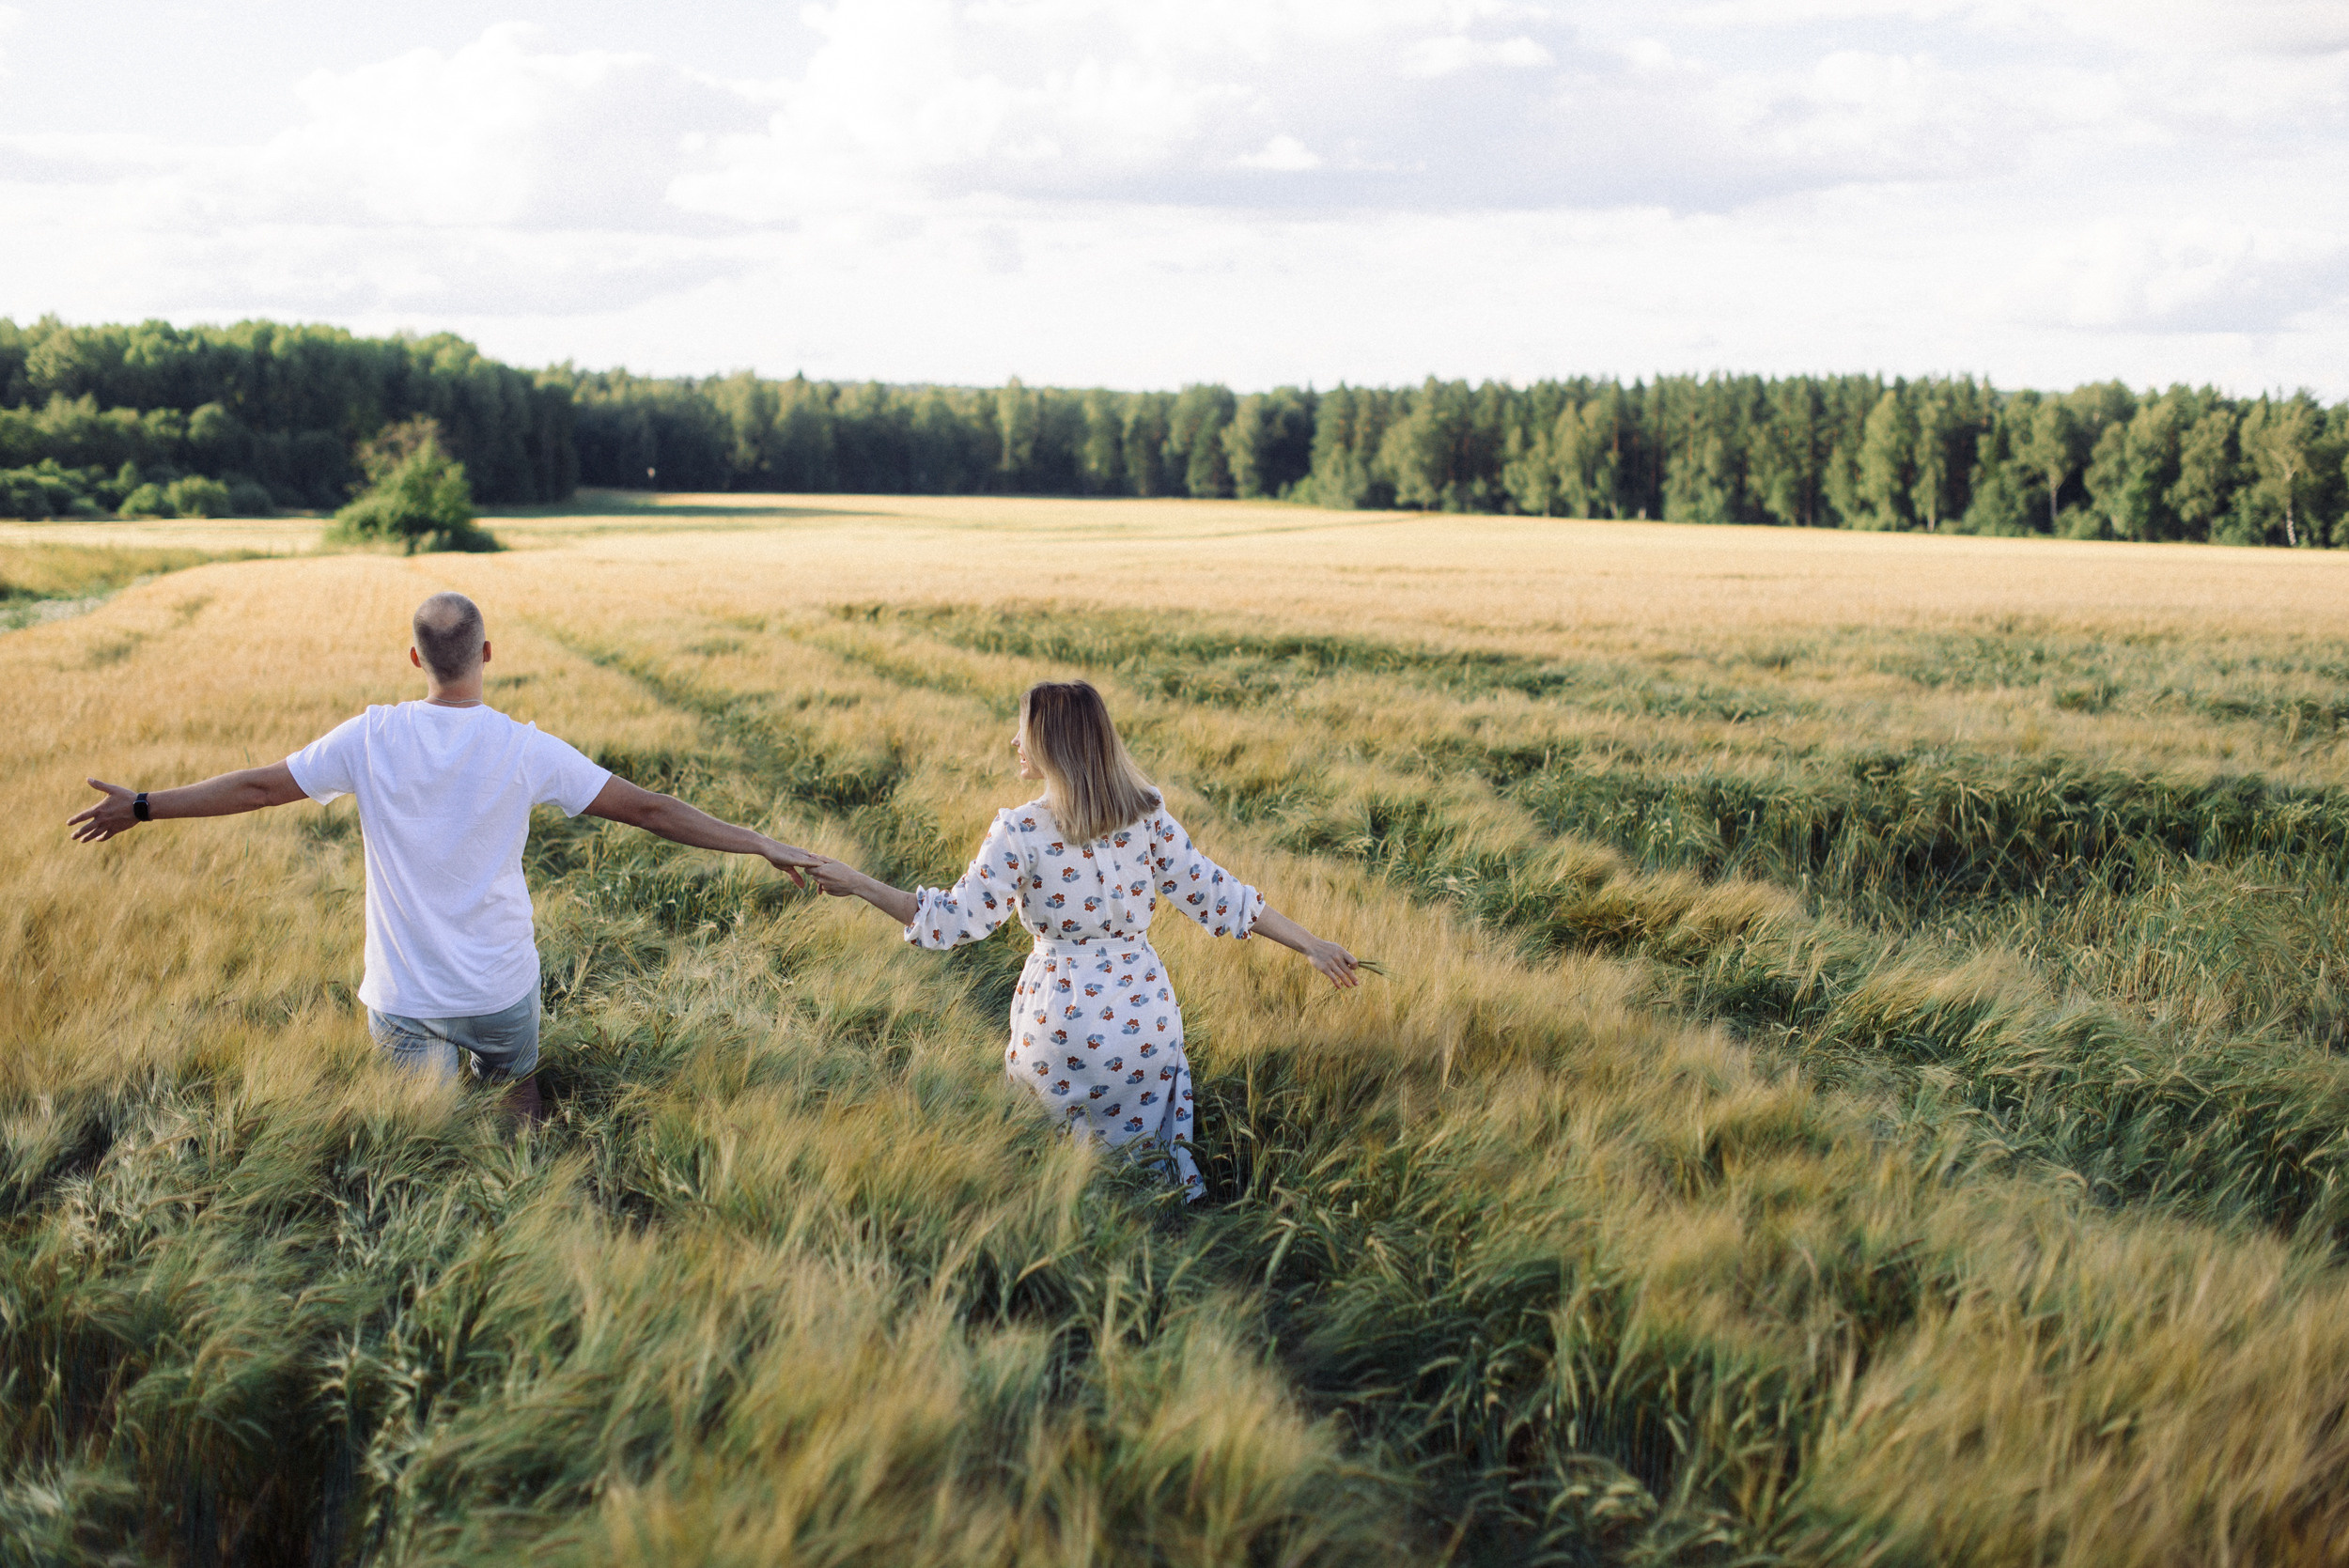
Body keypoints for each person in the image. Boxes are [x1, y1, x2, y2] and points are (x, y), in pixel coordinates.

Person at [68, 591, 821, 1119]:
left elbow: (260, 788)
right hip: (498, 986)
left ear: (414, 657)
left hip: (403, 998)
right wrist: (757, 841)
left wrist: (141, 806)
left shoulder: (368, 736)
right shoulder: (526, 749)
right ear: (486, 652)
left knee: (426, 1140)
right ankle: (524, 1201)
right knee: (517, 1097)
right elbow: (652, 810)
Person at [809, 678, 1358, 1196]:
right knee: (1144, 1167)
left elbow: (950, 919)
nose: (1014, 741)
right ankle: (1161, 1232)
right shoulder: (1146, 814)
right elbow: (1221, 895)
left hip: (1062, 1020)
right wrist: (1312, 945)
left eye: (1024, 729)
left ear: (1051, 741)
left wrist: (858, 882)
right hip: (1143, 1018)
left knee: (1053, 1168)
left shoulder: (1019, 831)